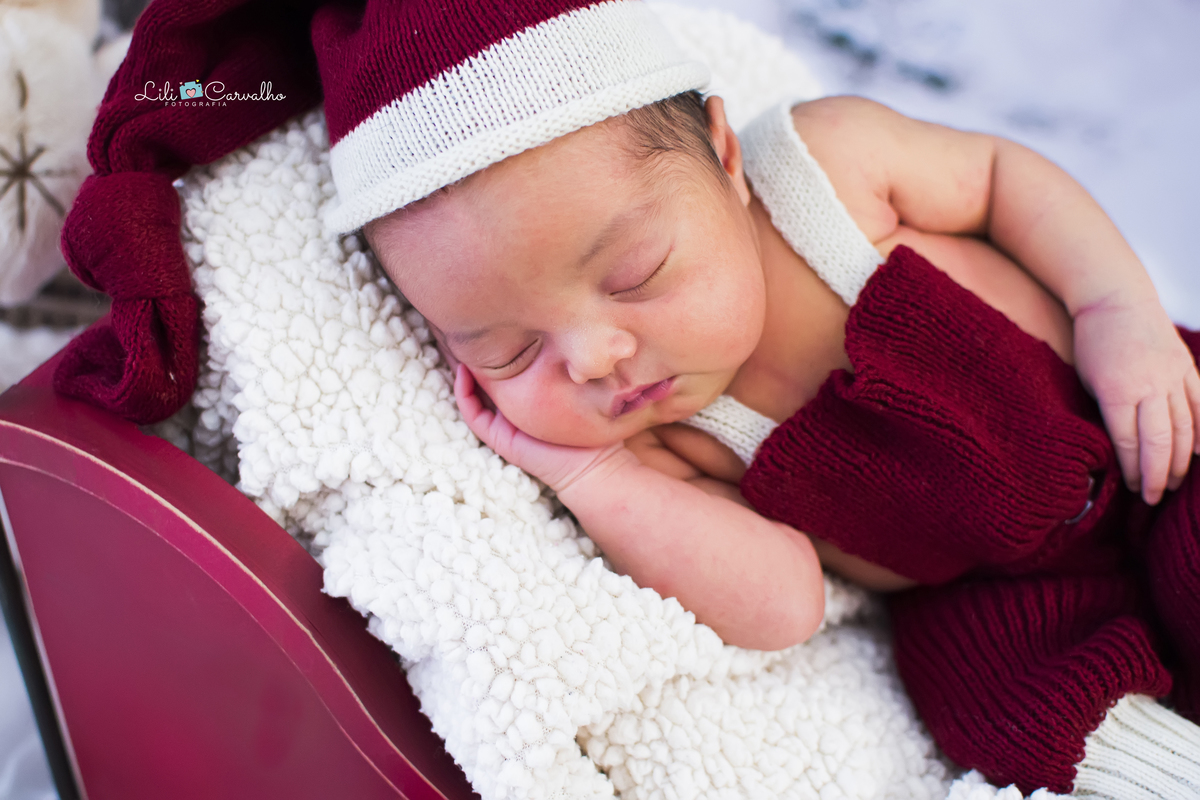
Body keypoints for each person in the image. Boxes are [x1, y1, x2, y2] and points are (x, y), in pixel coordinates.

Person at [57, 0, 1200, 796]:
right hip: (999, 595)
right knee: (1013, 716)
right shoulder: (666, 443)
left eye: (635, 273)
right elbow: (783, 597)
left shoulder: (829, 168)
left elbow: (1005, 179)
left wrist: (1117, 315)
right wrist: (590, 474)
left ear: (719, 148)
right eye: (507, 348)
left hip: (1141, 419)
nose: (598, 356)